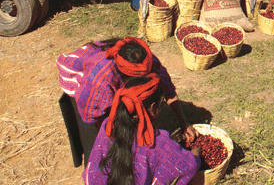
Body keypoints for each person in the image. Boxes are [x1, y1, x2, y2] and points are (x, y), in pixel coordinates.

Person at [57, 37, 198, 166]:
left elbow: (169, 91)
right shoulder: (101, 80)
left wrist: (183, 123)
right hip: (78, 78)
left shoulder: (148, 62)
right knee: (97, 148)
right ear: (126, 79)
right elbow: (93, 119)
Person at [84, 75, 202, 185]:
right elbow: (188, 165)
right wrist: (196, 150)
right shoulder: (157, 143)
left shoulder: (108, 127)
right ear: (154, 108)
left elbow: (95, 166)